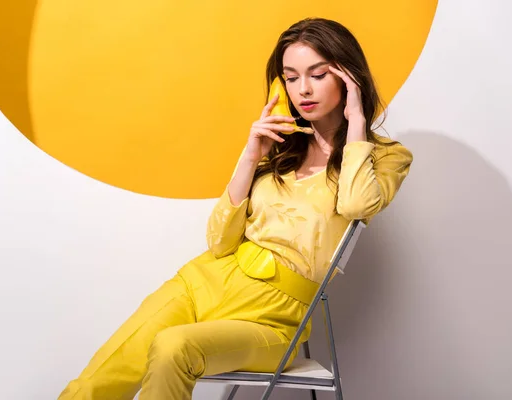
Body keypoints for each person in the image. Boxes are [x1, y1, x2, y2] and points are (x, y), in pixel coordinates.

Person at [58, 17, 413, 400]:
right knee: (99, 380)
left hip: (275, 317)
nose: (303, 90)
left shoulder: (386, 157)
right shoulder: (280, 149)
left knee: (174, 349)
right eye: (291, 78)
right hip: (203, 283)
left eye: (318, 74)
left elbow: (358, 204)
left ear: (348, 78)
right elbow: (219, 243)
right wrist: (250, 156)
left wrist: (357, 122)